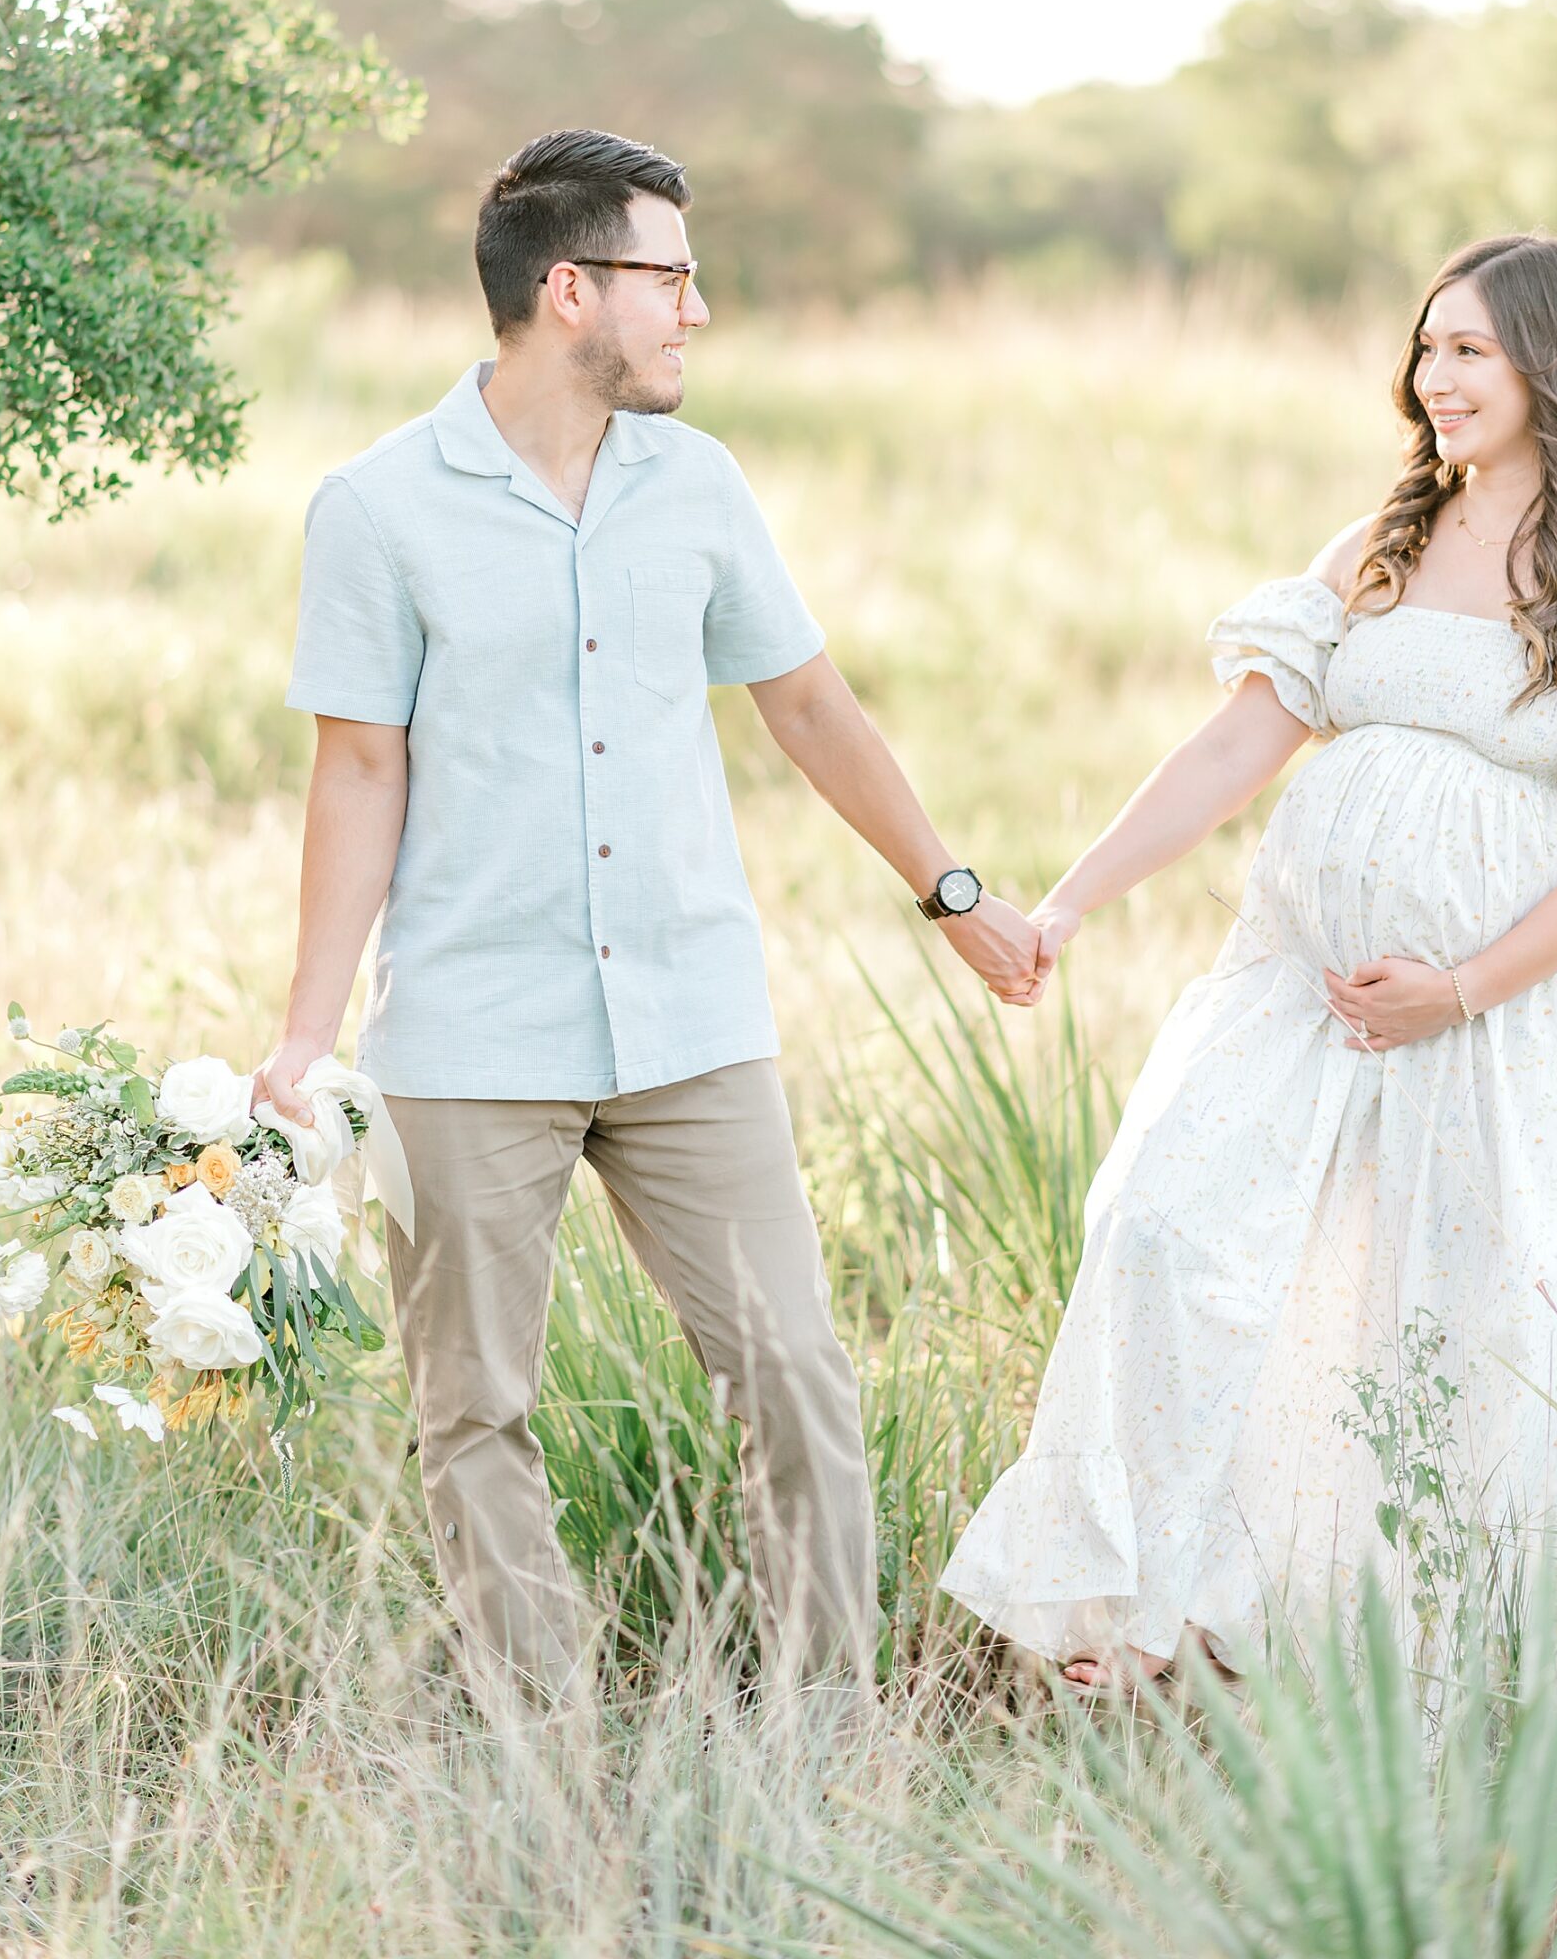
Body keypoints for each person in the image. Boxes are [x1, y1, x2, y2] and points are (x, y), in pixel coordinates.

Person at [256, 126, 1042, 1705]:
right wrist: (304, 1033)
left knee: (796, 1374)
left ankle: (820, 1732)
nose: (697, 308)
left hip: (692, 1021)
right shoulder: (379, 507)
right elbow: (356, 770)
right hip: (470, 1037)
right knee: (472, 1404)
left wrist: (947, 890)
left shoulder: (698, 483)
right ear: (568, 290)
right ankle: (536, 1736)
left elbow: (806, 704)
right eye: (669, 277)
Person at [942, 234, 1557, 1689]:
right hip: (1295, 987)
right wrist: (1072, 900)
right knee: (1165, 1229)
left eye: (1469, 349)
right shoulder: (1384, 542)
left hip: (1498, 1021)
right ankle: (1136, 1598)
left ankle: (1354, 1658)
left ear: (1554, 363)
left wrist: (1457, 988)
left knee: (1429, 1323)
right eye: (1426, 347)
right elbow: (1237, 739)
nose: (1434, 376)